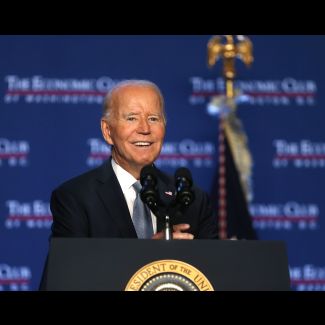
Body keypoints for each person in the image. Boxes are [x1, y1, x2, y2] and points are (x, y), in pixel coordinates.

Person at [39, 80, 218, 289]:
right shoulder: (76, 198)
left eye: (153, 118)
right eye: (132, 118)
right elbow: (66, 279)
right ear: (107, 131)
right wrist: (149, 256)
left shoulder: (192, 199)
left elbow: (215, 275)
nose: (144, 129)